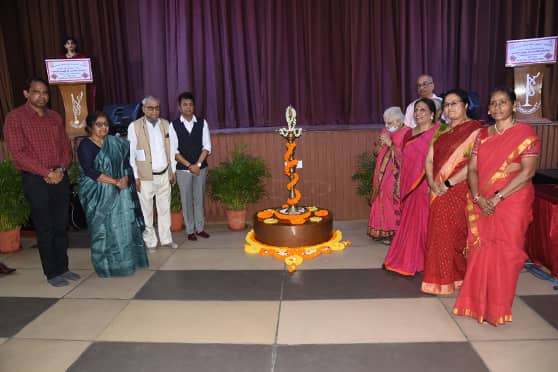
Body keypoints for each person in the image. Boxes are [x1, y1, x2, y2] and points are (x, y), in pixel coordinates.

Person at [453, 88, 540, 326]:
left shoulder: (525, 133)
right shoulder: (481, 135)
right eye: (493, 103)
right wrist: (478, 196)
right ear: (489, 109)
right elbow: (472, 169)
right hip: (482, 200)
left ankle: (498, 309)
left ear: (513, 105)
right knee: (480, 250)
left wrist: (497, 197)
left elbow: (527, 172)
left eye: (503, 102)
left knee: (506, 254)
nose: (498, 107)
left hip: (512, 202)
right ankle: (475, 304)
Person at [3, 77, 77, 287]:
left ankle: (63, 267)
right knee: (45, 227)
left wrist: (61, 169)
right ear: (26, 94)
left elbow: (65, 147)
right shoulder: (15, 118)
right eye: (37, 92)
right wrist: (46, 172)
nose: (42, 96)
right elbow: (19, 153)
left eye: (45, 92)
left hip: (59, 176)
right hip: (35, 178)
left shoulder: (54, 117)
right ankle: (52, 272)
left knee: (61, 225)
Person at [421, 89, 482, 295]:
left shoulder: (475, 130)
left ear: (465, 105)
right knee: (437, 234)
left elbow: (474, 164)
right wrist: (431, 182)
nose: (450, 108)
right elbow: (429, 159)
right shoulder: (441, 131)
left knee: (454, 234)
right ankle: (440, 278)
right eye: (446, 105)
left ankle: (453, 277)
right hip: (436, 189)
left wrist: (447, 184)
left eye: (454, 103)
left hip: (458, 189)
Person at [77, 111, 148, 277]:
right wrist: (115, 181)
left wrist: (124, 177)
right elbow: (89, 171)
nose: (103, 128)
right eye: (99, 124)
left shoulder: (115, 142)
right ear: (90, 127)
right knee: (103, 230)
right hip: (98, 193)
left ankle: (127, 262)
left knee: (123, 227)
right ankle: (106, 266)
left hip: (120, 190)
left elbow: (126, 163)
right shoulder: (85, 146)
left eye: (106, 124)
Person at [383, 98, 439, 275]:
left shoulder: (438, 132)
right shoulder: (409, 133)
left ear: (432, 113)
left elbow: (440, 160)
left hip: (426, 184)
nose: (419, 113)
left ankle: (422, 261)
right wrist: (399, 180)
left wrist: (433, 181)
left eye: (423, 110)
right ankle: (407, 258)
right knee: (408, 222)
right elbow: (403, 159)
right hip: (408, 184)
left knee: (422, 223)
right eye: (416, 110)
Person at [128, 96, 178, 252]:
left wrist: (173, 170)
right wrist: (135, 176)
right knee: (146, 211)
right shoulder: (134, 126)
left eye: (157, 107)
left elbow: (171, 149)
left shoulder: (165, 124)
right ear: (143, 109)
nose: (154, 111)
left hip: (164, 174)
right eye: (150, 108)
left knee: (164, 209)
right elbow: (132, 154)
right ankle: (150, 242)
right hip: (145, 177)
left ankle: (166, 239)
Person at [171, 92, 211, 241]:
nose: (188, 107)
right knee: (186, 200)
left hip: (201, 168)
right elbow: (174, 151)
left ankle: (200, 228)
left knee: (199, 198)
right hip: (183, 169)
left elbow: (206, 147)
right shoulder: (173, 125)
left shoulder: (202, 123)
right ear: (179, 107)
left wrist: (198, 165)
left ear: (194, 106)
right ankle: (189, 230)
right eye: (185, 104)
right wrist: (189, 166)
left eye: (190, 104)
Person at [367, 107, 406, 244]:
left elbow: (407, 156)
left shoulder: (407, 133)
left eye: (389, 123)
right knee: (380, 198)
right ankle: (381, 231)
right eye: (385, 122)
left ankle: (395, 233)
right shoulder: (386, 131)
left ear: (399, 121)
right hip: (381, 174)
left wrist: (391, 144)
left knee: (392, 200)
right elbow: (377, 151)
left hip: (395, 175)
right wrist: (380, 145)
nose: (386, 126)